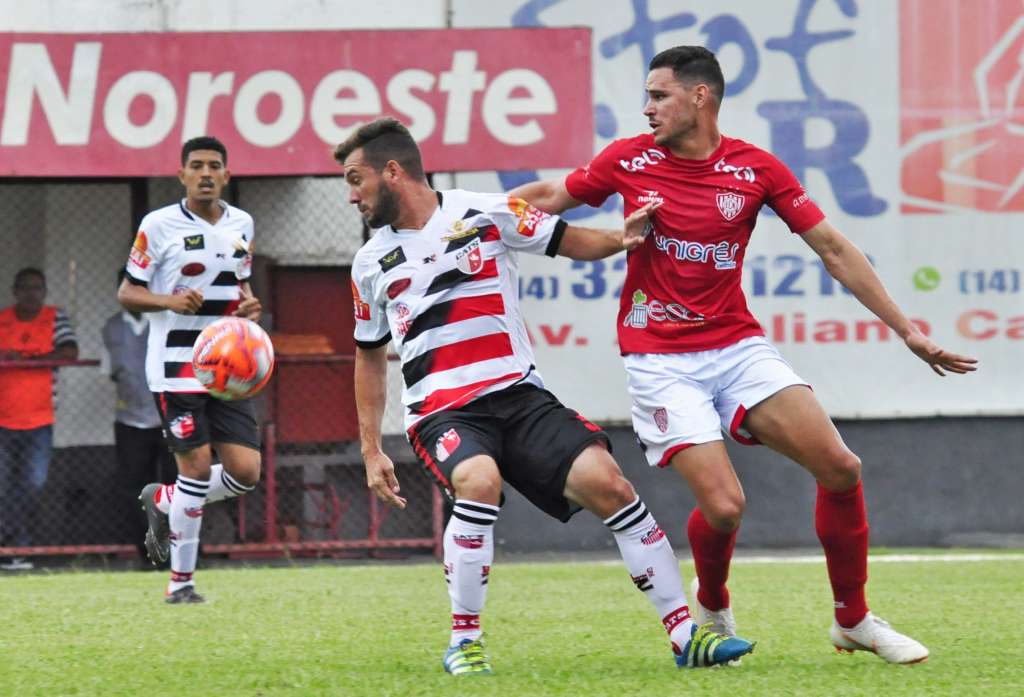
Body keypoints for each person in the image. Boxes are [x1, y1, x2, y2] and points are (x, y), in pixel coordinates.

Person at [511, 45, 979, 665]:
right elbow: (549, 195)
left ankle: (854, 619)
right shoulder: (629, 158)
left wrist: (907, 331)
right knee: (726, 507)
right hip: (660, 358)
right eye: (647, 96)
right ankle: (712, 606)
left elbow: (834, 249)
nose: (647, 108)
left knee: (841, 467)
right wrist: (459, 218)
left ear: (699, 97)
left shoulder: (755, 168)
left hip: (736, 347)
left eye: (659, 95)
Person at [340, 117, 754, 675]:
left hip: (518, 396)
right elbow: (368, 357)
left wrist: (623, 237)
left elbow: (570, 240)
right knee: (478, 481)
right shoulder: (369, 264)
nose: (351, 194)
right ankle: (465, 642)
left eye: (356, 179)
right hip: (443, 411)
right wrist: (371, 449)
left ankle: (686, 636)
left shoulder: (488, 211)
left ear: (393, 172)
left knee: (609, 483)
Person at [117, 135, 263, 603]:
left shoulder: (242, 223)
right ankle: (182, 584)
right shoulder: (157, 225)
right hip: (175, 369)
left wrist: (249, 306)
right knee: (196, 470)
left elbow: (239, 284)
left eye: (213, 165)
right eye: (196, 165)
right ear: (181, 175)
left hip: (227, 369)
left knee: (246, 472)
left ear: (226, 175)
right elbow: (127, 292)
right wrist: (169, 300)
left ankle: (165, 500)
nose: (205, 173)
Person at [0, 267, 78, 570]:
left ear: (44, 292)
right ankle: (16, 547)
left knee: (33, 483)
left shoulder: (54, 318)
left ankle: (8, 542)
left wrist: (27, 360)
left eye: (37, 288)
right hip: (3, 418)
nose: (31, 293)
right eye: (25, 288)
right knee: (3, 485)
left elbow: (70, 351)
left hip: (39, 419)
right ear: (15, 291)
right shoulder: (3, 320)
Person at [101, 269, 176, 565]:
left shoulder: (166, 322)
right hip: (131, 421)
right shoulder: (110, 328)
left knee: (176, 487)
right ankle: (148, 554)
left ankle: (183, 552)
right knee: (135, 490)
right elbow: (111, 372)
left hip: (169, 420)